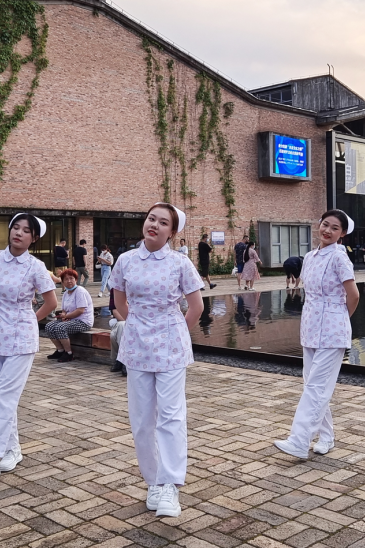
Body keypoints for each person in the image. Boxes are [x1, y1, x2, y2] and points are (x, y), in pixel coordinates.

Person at [110, 202, 204, 518]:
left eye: (163, 222)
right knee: (141, 419)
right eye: (151, 218)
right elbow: (119, 302)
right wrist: (139, 324)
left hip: (171, 345)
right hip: (137, 345)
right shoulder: (125, 260)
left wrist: (175, 331)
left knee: (171, 416)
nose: (154, 225)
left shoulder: (180, 263)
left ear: (172, 232)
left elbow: (197, 307)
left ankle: (170, 484)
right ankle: (153, 481)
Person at [0, 213, 57, 481]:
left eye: (26, 231)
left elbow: (51, 303)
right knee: (0, 396)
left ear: (34, 238)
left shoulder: (36, 267)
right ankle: (12, 450)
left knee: (5, 394)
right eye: (16, 227)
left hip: (21, 337)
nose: (18, 233)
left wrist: (27, 320)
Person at [274, 209, 359, 460]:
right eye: (325, 224)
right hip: (311, 327)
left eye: (335, 228)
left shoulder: (339, 257)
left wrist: (340, 319)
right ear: (319, 224)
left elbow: (353, 295)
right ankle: (327, 436)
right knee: (314, 386)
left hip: (332, 330)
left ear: (342, 234)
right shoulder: (310, 257)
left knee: (316, 387)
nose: (328, 231)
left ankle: (299, 441)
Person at [45, 269, 94, 363]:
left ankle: (69, 353)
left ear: (76, 279)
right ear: (63, 282)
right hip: (71, 319)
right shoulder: (66, 293)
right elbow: (64, 310)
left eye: (71, 278)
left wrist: (67, 316)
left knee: (60, 327)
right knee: (49, 326)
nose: (69, 281)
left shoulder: (80, 291)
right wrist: (64, 315)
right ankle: (60, 350)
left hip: (83, 321)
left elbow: (80, 310)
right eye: (66, 279)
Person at [108, 288, 127, 376]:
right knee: (122, 325)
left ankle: (120, 360)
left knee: (113, 335)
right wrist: (130, 322)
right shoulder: (115, 289)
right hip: (121, 319)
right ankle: (124, 360)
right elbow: (115, 311)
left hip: (138, 321)